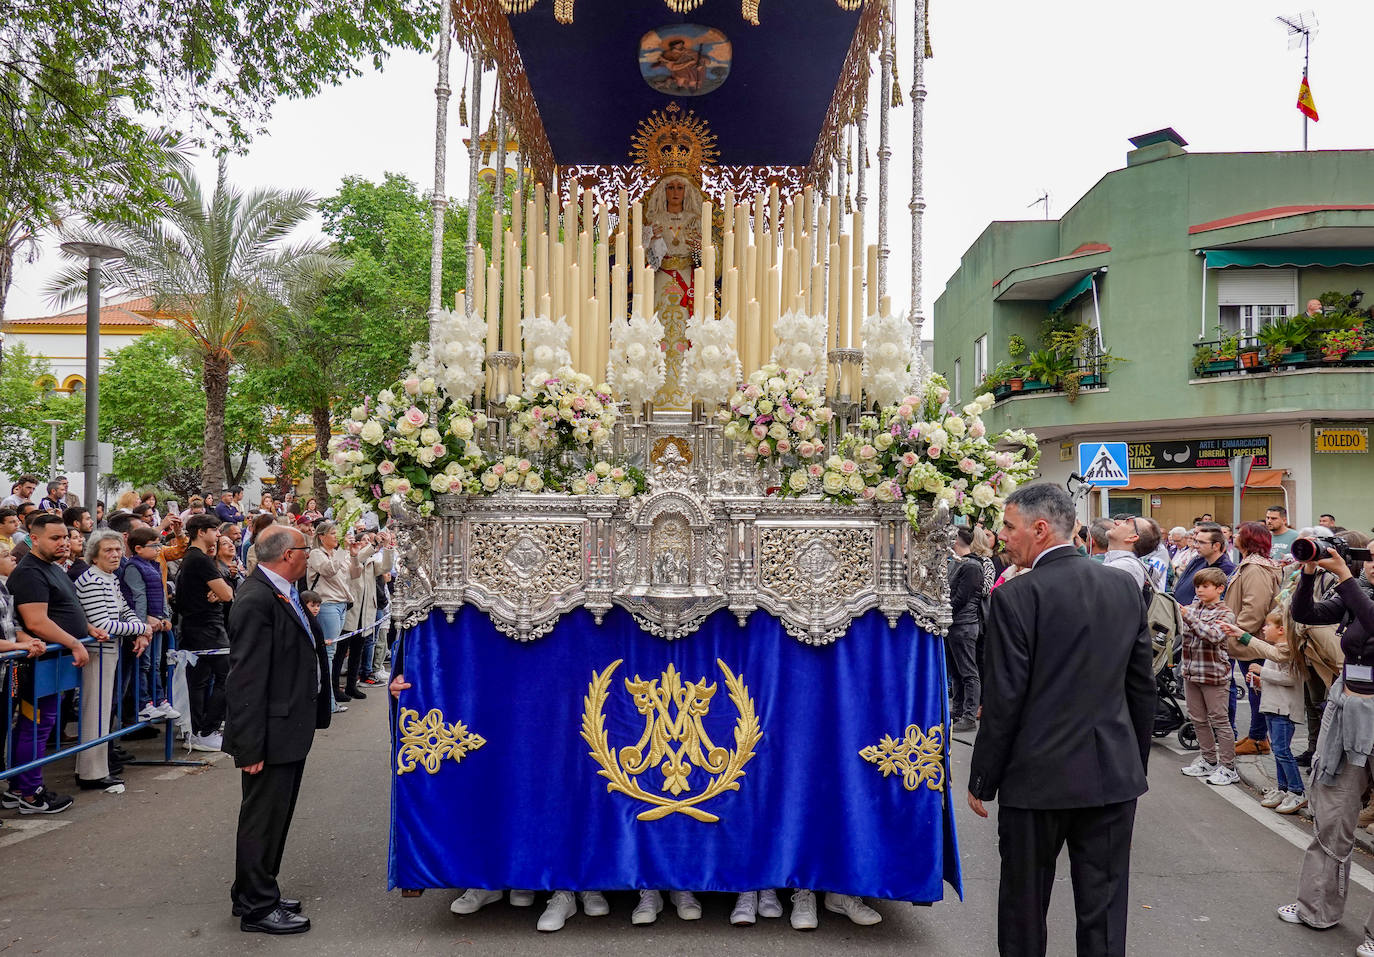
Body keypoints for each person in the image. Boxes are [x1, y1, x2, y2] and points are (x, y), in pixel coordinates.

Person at [968, 484, 1154, 957]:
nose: (1002, 536)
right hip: (1111, 774)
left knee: (1024, 905)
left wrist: (983, 778)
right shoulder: (1124, 588)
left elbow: (1004, 698)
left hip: (1036, 779)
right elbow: (1141, 688)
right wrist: (1134, 763)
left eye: (1008, 526)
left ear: (1040, 529)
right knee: (1105, 908)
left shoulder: (1016, 596)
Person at [224, 525, 331, 935]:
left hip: (288, 727)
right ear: (288, 555)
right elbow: (246, 678)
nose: (309, 554)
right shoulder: (256, 599)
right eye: (306, 548)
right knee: (263, 819)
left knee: (273, 817)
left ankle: (253, 889)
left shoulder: (283, 591)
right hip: (269, 732)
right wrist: (249, 746)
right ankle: (258, 907)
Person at [1276, 542, 1374, 956]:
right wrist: (1309, 573)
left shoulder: (1356, 589)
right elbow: (1306, 614)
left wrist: (1347, 578)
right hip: (1349, 711)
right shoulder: (1358, 591)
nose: (1373, 565)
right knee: (1333, 814)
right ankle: (1315, 907)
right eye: (1371, 556)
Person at [2, 514, 106, 814]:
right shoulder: (30, 573)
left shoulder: (52, 568)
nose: (63, 543)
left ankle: (20, 787)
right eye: (55, 538)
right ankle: (30, 793)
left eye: (64, 537)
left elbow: (64, 608)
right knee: (35, 725)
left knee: (40, 724)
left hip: (52, 664)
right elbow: (36, 621)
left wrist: (86, 628)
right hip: (38, 665)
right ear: (34, 539)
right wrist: (74, 642)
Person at [73, 530, 153, 790]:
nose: (115, 554)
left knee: (102, 712)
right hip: (97, 652)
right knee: (95, 713)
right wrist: (142, 629)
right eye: (108, 550)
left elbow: (125, 610)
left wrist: (139, 629)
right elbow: (104, 624)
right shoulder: (93, 580)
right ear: (94, 555)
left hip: (109, 650)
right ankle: (91, 773)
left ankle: (95, 770)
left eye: (118, 549)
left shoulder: (109, 578)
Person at [1221, 521, 1283, 756]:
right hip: (1249, 638)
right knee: (1255, 688)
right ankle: (1257, 735)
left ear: (1248, 540)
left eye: (1239, 534)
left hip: (1251, 640)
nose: (1235, 536)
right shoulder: (1252, 565)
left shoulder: (1255, 568)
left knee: (1256, 689)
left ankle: (1258, 738)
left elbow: (1254, 607)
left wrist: (1238, 633)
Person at [176, 513, 235, 751]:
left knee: (199, 681)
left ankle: (197, 730)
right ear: (201, 532)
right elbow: (227, 594)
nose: (219, 535)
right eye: (215, 530)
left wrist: (220, 591)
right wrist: (221, 591)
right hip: (207, 630)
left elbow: (223, 592)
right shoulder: (199, 560)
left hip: (198, 628)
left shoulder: (192, 559)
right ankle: (206, 730)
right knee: (227, 677)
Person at [1178, 567, 1241, 786]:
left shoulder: (1226, 613)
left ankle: (1228, 767)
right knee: (1197, 719)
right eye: (1198, 586)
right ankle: (1208, 761)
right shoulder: (1192, 608)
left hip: (1214, 675)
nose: (1200, 590)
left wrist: (1188, 618)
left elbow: (1213, 636)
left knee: (1220, 721)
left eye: (1205, 586)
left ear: (1220, 588)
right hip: (1191, 674)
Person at [1248, 610, 1307, 814]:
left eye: (1267, 625)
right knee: (1278, 750)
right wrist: (1259, 681)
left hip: (1284, 710)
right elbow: (1277, 680)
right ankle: (1283, 789)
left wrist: (1262, 671)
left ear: (1281, 629)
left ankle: (1297, 791)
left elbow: (1290, 679)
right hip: (1273, 707)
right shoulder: (1275, 651)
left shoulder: (1289, 651)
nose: (1263, 628)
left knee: (1282, 750)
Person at [306, 521, 362, 713]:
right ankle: (327, 702)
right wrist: (342, 551)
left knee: (333, 651)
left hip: (341, 605)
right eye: (332, 533)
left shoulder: (340, 554)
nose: (336, 536)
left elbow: (355, 574)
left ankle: (329, 700)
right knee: (328, 653)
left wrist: (353, 555)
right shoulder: (316, 554)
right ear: (321, 536)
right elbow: (328, 570)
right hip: (327, 604)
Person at [122, 526, 176, 722]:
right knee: (143, 665)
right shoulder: (133, 567)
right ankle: (143, 703)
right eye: (154, 546)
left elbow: (161, 594)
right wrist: (142, 625)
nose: (158, 549)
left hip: (158, 623)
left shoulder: (154, 565)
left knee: (154, 664)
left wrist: (166, 617)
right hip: (145, 626)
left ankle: (159, 699)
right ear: (138, 548)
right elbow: (139, 597)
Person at [947, 527, 984, 733]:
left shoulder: (971, 566)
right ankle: (959, 709)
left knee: (968, 671)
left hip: (965, 624)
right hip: (956, 623)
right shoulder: (958, 563)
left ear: (956, 541)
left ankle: (969, 715)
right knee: (956, 671)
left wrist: (944, 609)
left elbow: (962, 597)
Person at [1174, 525, 1236, 608]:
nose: (1196, 546)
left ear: (1216, 546)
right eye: (1196, 541)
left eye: (1201, 542)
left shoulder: (1227, 569)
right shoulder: (1198, 560)